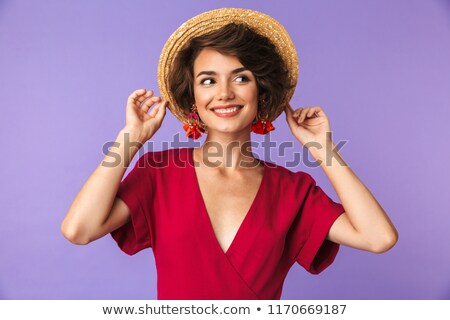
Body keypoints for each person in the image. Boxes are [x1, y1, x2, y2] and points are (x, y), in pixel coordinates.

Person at [61, 8, 398, 300]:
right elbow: (79, 229)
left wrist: (323, 150)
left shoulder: (294, 190)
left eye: (240, 77)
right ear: (192, 96)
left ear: (261, 91)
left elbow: (378, 237)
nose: (224, 93)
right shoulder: (158, 173)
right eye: (208, 80)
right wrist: (129, 138)